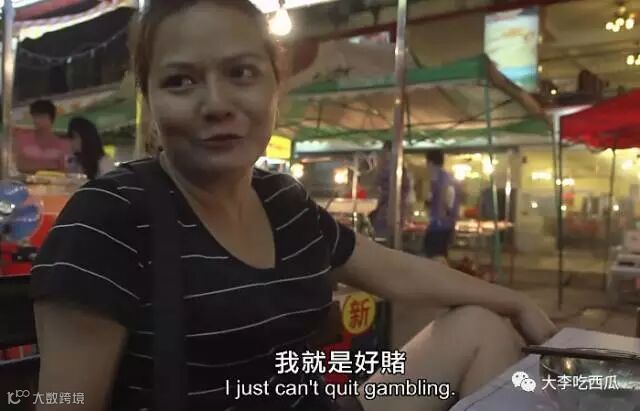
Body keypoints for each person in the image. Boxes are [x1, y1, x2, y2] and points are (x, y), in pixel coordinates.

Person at [31, 2, 556, 411]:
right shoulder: (109, 217)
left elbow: (396, 270)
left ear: (276, 85)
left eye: (241, 73)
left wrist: (514, 302)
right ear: (149, 99)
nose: (216, 104)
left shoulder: (283, 201)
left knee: (482, 329)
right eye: (180, 81)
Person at [14, 99, 71, 174]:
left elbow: (65, 170)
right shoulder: (23, 140)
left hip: (54, 180)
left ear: (51, 119)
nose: (37, 120)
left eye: (42, 117)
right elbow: (19, 166)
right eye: (35, 116)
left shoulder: (63, 144)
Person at [423, 150, 460, 262]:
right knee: (440, 256)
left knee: (435, 257)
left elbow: (443, 198)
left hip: (438, 225)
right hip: (446, 224)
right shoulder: (449, 178)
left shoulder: (439, 178)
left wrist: (440, 214)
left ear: (430, 163)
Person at [370, 141, 411, 239]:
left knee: (382, 239)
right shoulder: (402, 169)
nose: (383, 155)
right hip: (398, 213)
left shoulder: (389, 169)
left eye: (384, 152)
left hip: (386, 213)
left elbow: (375, 183)